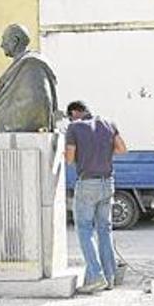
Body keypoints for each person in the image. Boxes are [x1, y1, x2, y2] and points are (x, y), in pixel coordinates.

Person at [64, 100, 127, 293]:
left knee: (84, 229)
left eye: (69, 116)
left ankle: (95, 276)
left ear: (75, 112)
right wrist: (103, 153)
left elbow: (69, 159)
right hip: (108, 182)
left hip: (87, 183)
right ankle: (109, 277)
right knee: (105, 230)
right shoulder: (109, 123)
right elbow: (122, 149)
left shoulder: (74, 127)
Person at [0, 24, 59, 133]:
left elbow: (36, 103)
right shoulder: (21, 64)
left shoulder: (31, 65)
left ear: (15, 41)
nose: (1, 45)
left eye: (4, 40)